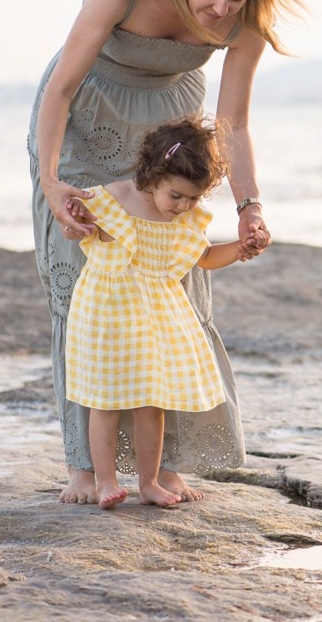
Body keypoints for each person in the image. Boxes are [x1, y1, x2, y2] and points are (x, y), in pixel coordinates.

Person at [27, 0, 304, 504]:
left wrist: (249, 206)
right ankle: (86, 468)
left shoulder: (247, 16)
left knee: (174, 288)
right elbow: (61, 87)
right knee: (84, 289)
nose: (223, 10)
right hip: (84, 122)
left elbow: (231, 123)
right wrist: (52, 183)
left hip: (171, 130)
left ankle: (163, 468)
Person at [66, 117, 242, 509]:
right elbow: (72, 228)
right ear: (153, 175)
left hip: (157, 317)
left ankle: (149, 481)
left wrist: (240, 248)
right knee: (105, 400)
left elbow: (206, 257)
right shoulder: (110, 200)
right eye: (176, 196)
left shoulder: (186, 219)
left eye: (193, 199)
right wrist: (73, 222)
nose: (183, 206)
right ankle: (106, 481)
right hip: (107, 313)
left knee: (153, 401)